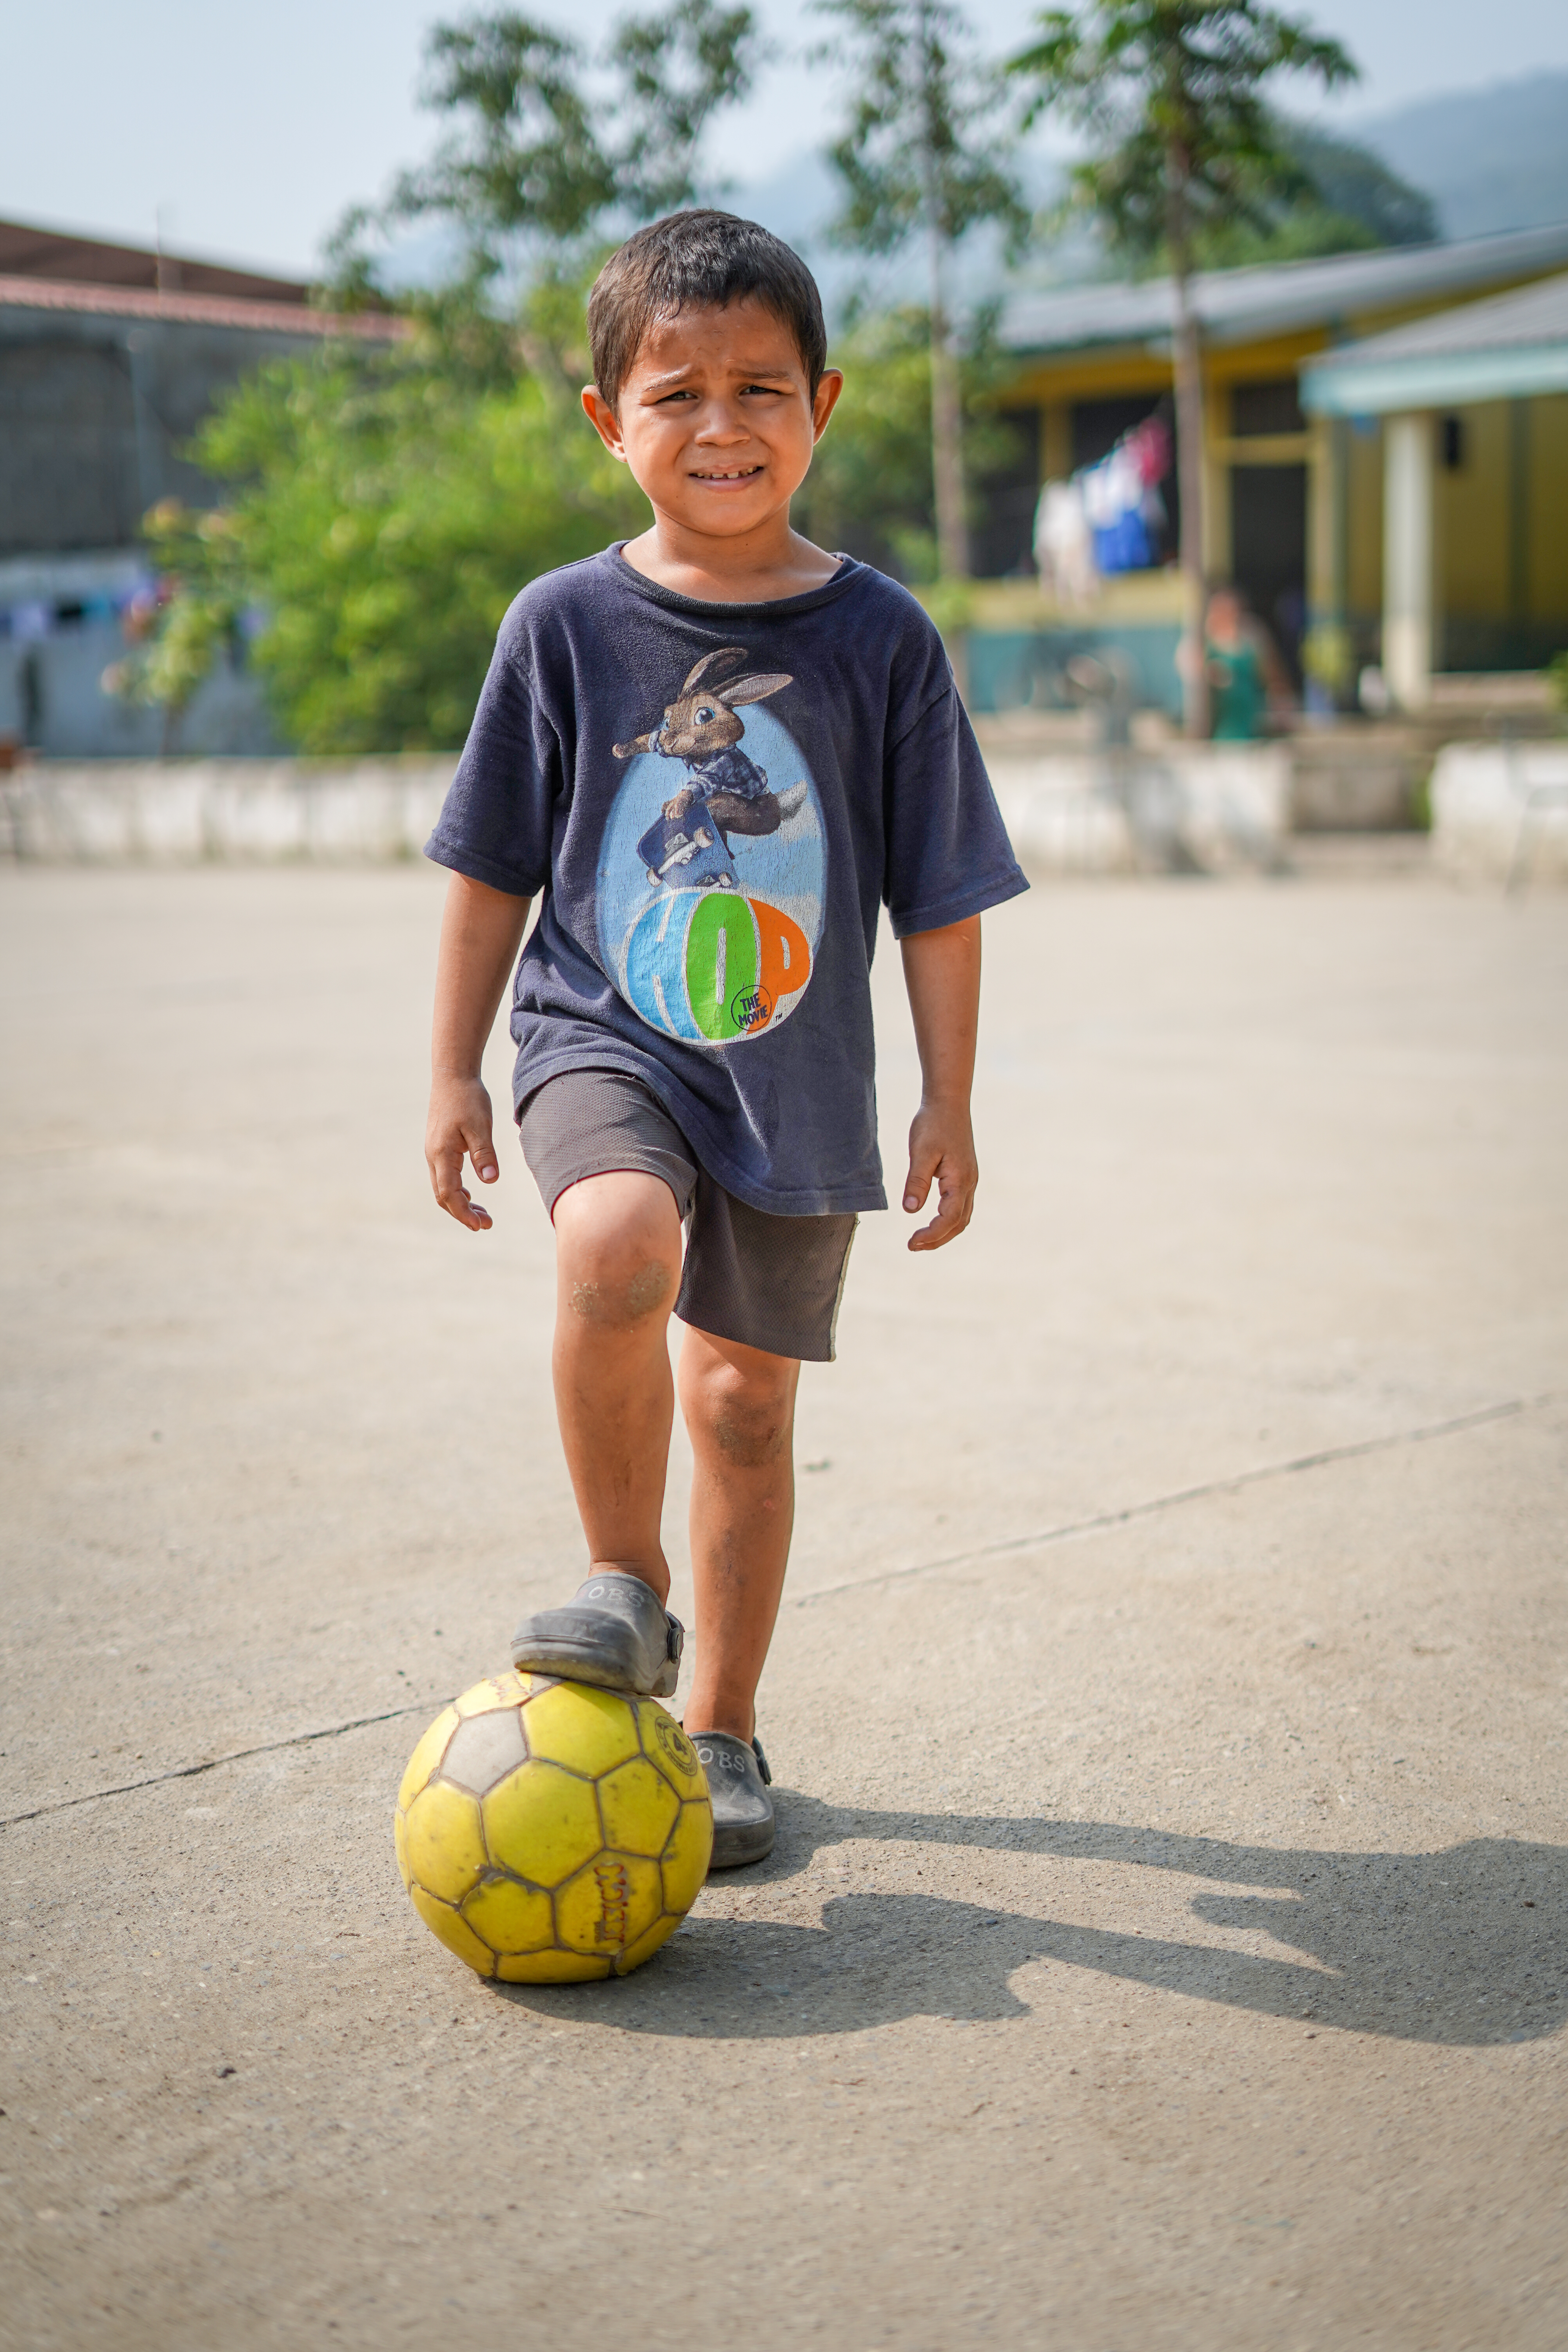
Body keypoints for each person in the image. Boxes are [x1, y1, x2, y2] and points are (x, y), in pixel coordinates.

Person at [422, 211, 1027, 1869]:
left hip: (797, 1075)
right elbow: (486, 866)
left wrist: (947, 1102)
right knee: (612, 1246)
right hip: (598, 1025)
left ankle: (725, 1722)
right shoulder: (559, 625)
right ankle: (624, 1584)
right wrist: (451, 1065)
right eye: (674, 391)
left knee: (745, 1403)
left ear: (821, 402)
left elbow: (944, 893)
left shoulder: (877, 639)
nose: (720, 424)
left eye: (759, 386)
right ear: (606, 421)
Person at [1204, 586, 1292, 741]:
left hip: (1250, 709)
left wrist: (1280, 703)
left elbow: (1272, 672)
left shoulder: (1252, 634)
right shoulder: (1206, 639)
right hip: (1222, 714)